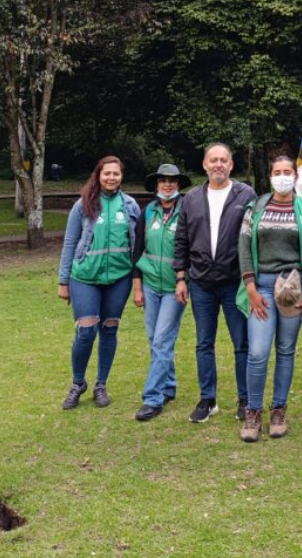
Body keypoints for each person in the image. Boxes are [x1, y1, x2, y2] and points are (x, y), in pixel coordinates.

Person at [237, 156, 302, 442]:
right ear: (270, 176)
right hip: (260, 286)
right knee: (258, 352)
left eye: (288, 172)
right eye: (277, 172)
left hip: (292, 287)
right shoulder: (257, 206)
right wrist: (249, 285)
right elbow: (244, 247)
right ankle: (252, 412)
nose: (282, 176)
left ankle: (278, 410)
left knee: (286, 350)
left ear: (296, 175)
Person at [174, 144, 258, 423]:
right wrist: (181, 277)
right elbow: (182, 239)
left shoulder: (245, 194)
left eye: (223, 160)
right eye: (214, 160)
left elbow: (254, 237)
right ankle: (207, 399)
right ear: (205, 165)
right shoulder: (191, 198)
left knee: (241, 343)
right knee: (204, 343)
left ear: (231, 165)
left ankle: (245, 400)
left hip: (235, 281)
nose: (218, 164)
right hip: (200, 282)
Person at [57, 156, 141, 410]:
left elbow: (137, 244)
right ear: (98, 175)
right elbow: (70, 243)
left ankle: (101, 384)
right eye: (107, 173)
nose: (111, 178)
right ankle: (77, 383)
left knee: (109, 329)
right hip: (84, 278)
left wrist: (138, 279)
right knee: (86, 331)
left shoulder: (129, 206)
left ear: (121, 176)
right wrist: (63, 281)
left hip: (119, 278)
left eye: (116, 174)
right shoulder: (83, 205)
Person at [132, 164, 193, 421]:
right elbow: (137, 250)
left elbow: (191, 248)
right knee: (153, 338)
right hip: (150, 284)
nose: (167, 185)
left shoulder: (188, 211)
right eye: (163, 181)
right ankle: (169, 386)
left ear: (178, 184)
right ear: (156, 185)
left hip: (174, 287)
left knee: (161, 341)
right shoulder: (148, 213)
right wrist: (137, 286)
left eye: (172, 181)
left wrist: (184, 279)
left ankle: (153, 397)